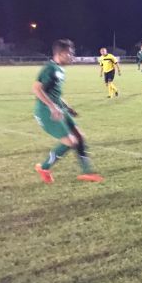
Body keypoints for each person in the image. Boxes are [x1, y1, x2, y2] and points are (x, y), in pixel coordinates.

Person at [33, 39, 104, 183]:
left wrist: (67, 107)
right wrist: (52, 107)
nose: (72, 56)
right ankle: (44, 167)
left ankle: (87, 172)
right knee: (70, 142)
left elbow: (55, 93)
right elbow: (36, 89)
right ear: (61, 53)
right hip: (46, 111)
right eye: (69, 53)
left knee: (80, 137)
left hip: (59, 108)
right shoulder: (50, 68)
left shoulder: (60, 69)